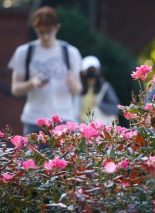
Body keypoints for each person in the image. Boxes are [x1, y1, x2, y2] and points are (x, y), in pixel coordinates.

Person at [8, 6, 82, 136]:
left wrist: (73, 83)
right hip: (34, 120)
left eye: (49, 31)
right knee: (33, 156)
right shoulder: (24, 52)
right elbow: (15, 88)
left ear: (57, 27)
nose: (46, 36)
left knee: (63, 156)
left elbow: (78, 89)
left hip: (63, 119)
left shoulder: (70, 53)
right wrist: (32, 83)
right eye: (41, 32)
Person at [79, 55, 120, 125]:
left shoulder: (105, 88)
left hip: (98, 129)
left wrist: (101, 105)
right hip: (80, 126)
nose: (91, 74)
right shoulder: (78, 88)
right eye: (89, 70)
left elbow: (116, 108)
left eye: (93, 70)